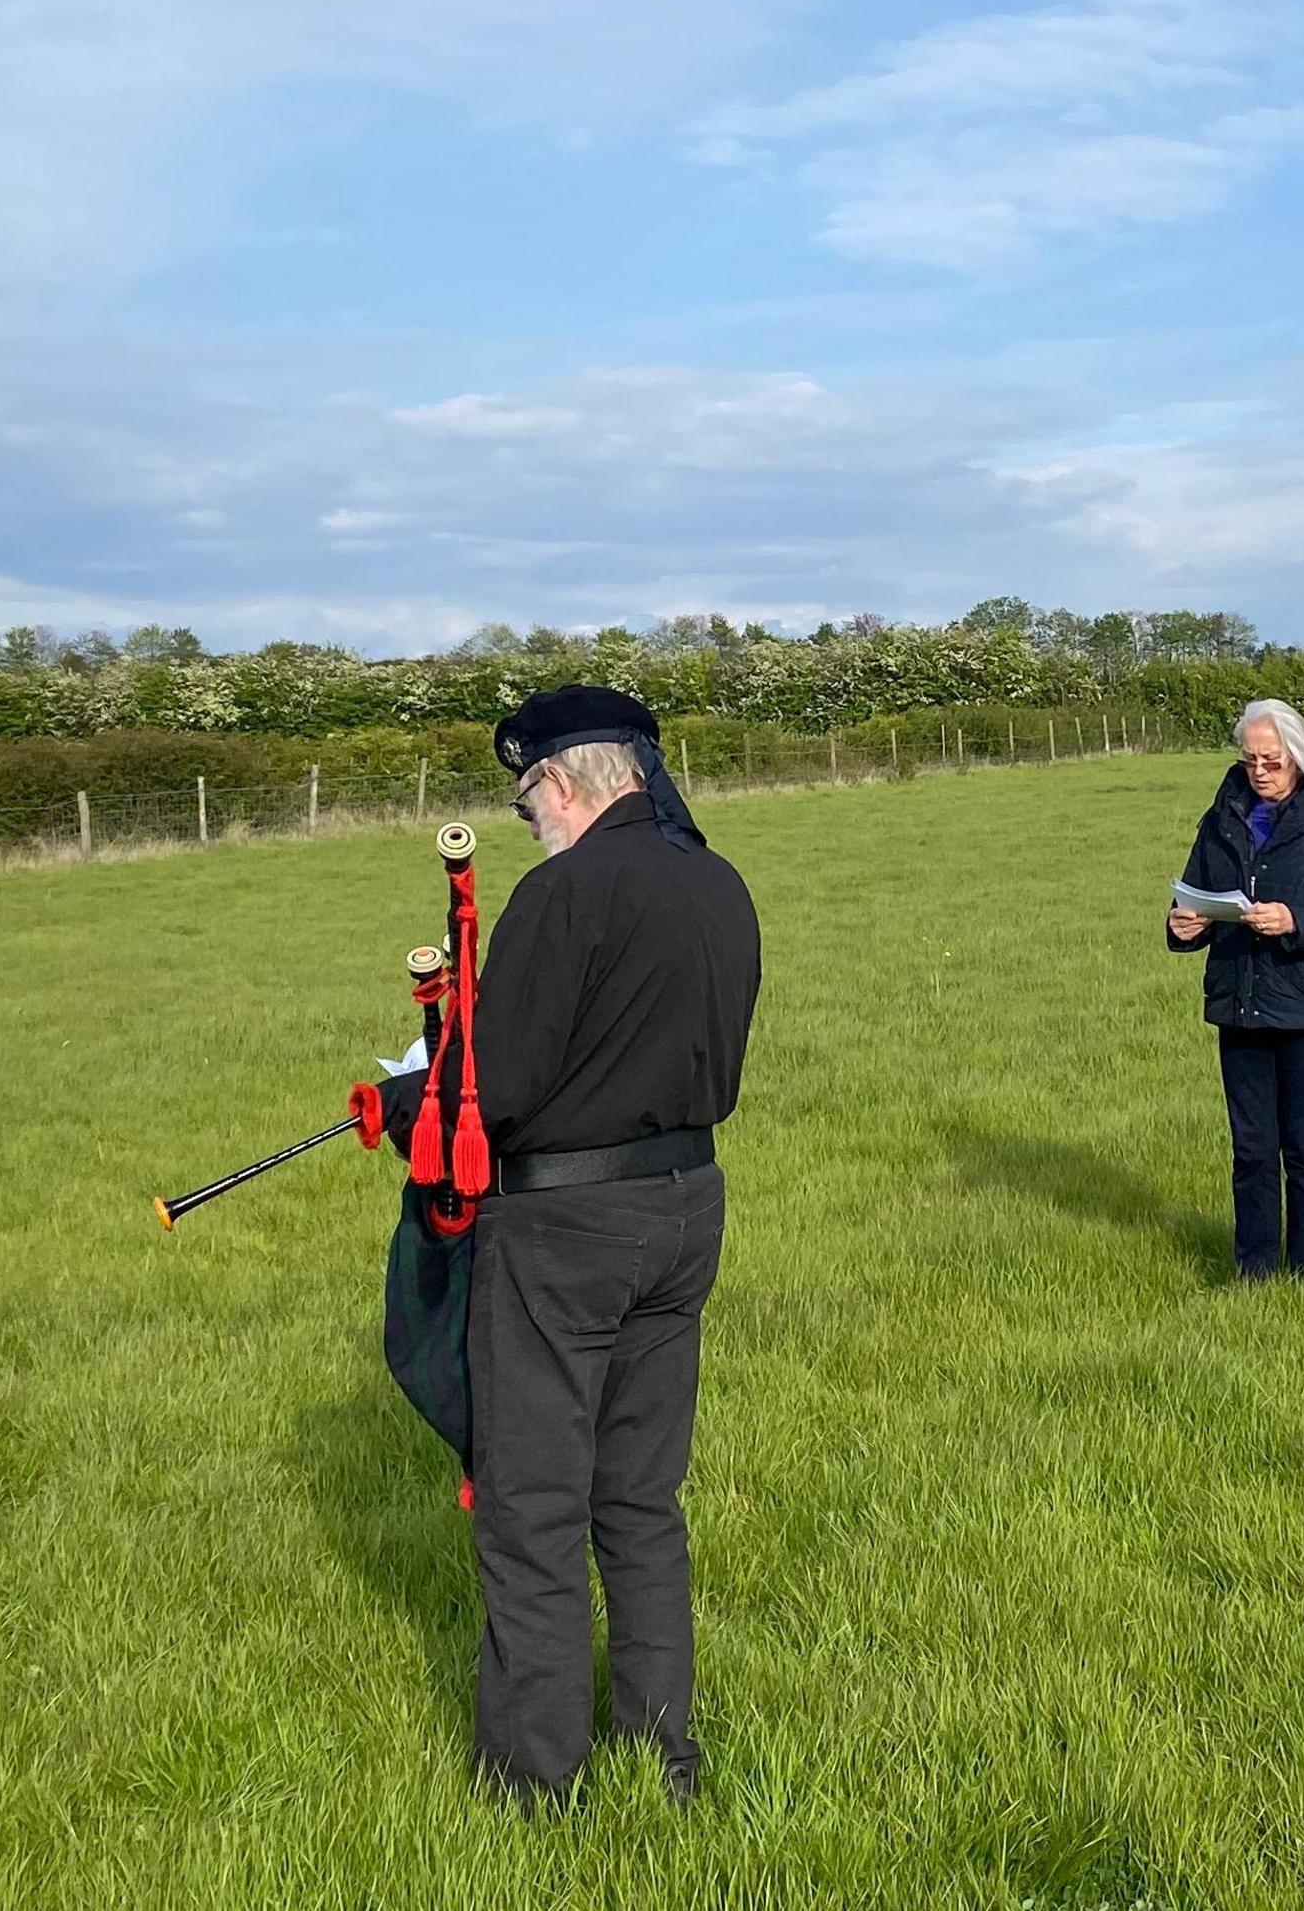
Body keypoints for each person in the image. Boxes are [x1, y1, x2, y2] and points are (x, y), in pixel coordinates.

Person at [462, 685, 761, 1803]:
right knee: (641, 1498)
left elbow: (500, 1086)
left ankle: (536, 1782)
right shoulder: (717, 880)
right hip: (686, 1205)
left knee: (535, 1508)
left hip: (567, 1228)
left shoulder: (564, 891)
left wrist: (411, 1099)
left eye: (527, 790)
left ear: (571, 779)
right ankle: (659, 1754)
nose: (525, 812)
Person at [1163, 699, 1304, 1280]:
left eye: (1273, 761)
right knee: (1251, 1151)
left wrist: (1295, 921)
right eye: (1250, 759)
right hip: (1240, 1004)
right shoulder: (1220, 819)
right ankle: (1253, 1273)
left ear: (1300, 757)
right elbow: (1193, 895)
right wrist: (1183, 924)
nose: (1260, 771)